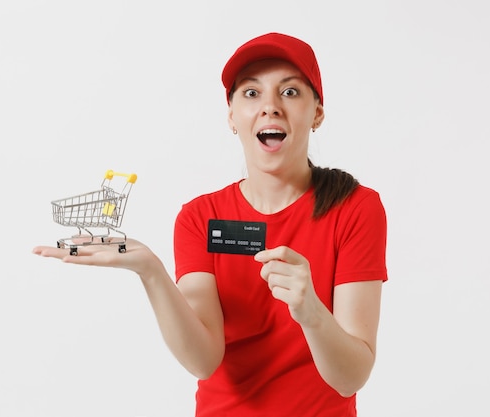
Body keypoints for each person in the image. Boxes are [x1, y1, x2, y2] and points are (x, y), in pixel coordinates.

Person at [33, 32, 388, 417]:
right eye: (251, 93)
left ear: (317, 112)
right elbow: (203, 360)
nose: (270, 107)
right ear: (232, 116)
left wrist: (311, 312)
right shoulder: (199, 218)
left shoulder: (355, 208)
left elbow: (351, 377)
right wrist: (151, 272)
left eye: (289, 92)